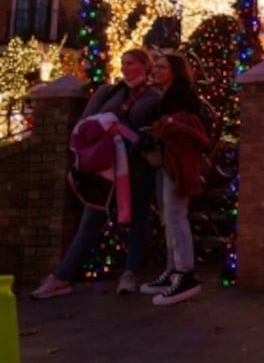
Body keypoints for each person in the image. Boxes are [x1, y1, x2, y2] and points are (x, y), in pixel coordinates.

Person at [31, 49, 161, 299]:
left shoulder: (154, 97)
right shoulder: (109, 92)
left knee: (138, 220)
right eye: (123, 63)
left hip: (135, 169)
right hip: (104, 170)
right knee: (90, 222)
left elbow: (153, 134)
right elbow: (85, 122)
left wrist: (126, 133)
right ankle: (61, 276)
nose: (125, 68)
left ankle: (130, 274)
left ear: (145, 66)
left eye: (131, 63)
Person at [140, 53, 209, 306]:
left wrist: (160, 129)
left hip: (176, 162)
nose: (156, 70)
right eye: (155, 66)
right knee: (170, 216)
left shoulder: (178, 97)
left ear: (175, 71)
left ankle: (185, 274)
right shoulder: (173, 94)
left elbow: (182, 130)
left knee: (176, 215)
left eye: (162, 67)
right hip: (170, 161)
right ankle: (173, 269)